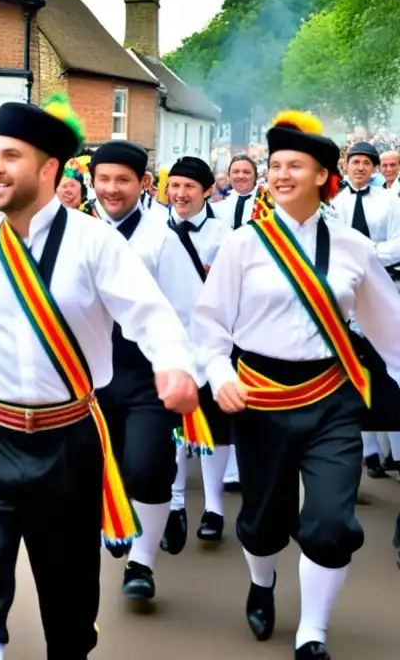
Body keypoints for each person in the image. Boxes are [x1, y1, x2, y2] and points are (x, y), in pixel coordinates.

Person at [0, 96, 200, 660]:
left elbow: (152, 316)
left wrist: (174, 366)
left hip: (67, 442)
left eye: (11, 155)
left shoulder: (96, 243)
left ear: (49, 168)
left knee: (69, 605)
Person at [192, 112, 400, 660]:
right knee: (262, 524)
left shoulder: (353, 246)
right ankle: (262, 584)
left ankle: (313, 632)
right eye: (275, 165)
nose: (280, 174)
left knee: (332, 524)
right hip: (259, 396)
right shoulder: (243, 244)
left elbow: (390, 329)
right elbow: (209, 324)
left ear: (322, 174)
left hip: (331, 398)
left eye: (294, 166)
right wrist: (220, 373)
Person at [82, 140, 208, 601]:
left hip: (145, 370)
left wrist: (186, 372)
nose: (111, 189)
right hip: (89, 372)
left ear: (142, 184)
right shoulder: (77, 232)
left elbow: (189, 310)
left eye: (123, 180)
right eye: (104, 179)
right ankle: (123, 524)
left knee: (146, 467)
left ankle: (143, 562)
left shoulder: (160, 238)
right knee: (98, 466)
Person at [159, 157, 234, 551]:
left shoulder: (226, 235)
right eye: (174, 185)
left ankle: (215, 507)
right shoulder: (155, 230)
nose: (180, 194)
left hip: (211, 343)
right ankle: (174, 502)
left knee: (213, 426)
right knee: (170, 422)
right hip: (168, 343)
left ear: (207, 190)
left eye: (189, 186)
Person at [330, 142, 400, 476]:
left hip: (383, 287)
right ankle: (367, 451)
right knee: (350, 367)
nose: (360, 167)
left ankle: (396, 452)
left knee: (389, 363)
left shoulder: (390, 201)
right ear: (345, 166)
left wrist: (368, 253)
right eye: (355, 162)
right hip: (344, 292)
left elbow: (399, 243)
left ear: (374, 169)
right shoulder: (334, 204)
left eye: (366, 163)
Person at [213, 154, 259, 229]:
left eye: (246, 172)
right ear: (229, 176)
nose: (240, 176)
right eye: (236, 172)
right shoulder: (220, 204)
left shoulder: (268, 201)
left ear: (255, 176)